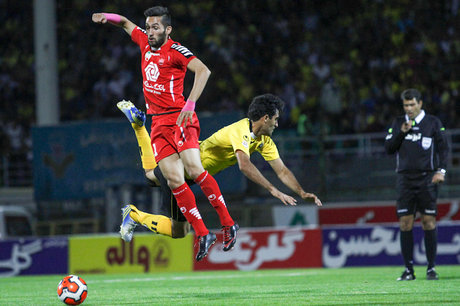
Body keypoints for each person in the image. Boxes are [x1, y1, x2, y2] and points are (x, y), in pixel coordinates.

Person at [92, 6, 238, 261]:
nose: (149, 32)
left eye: (155, 27)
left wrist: (190, 104)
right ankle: (203, 233)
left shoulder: (176, 50)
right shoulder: (143, 44)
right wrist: (108, 17)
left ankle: (228, 223)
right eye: (148, 27)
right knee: (172, 179)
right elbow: (126, 22)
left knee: (193, 168)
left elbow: (204, 71)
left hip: (180, 117)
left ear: (167, 29)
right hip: (158, 124)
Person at [117, 93, 322, 241]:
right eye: (275, 120)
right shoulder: (240, 130)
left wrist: (302, 192)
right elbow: (244, 164)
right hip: (183, 170)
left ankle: (138, 125)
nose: (277, 125)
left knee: (151, 176)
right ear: (265, 118)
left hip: (187, 172)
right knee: (178, 228)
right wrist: (274, 191)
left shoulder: (263, 142)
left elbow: (283, 171)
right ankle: (133, 214)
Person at [385, 88, 449, 281]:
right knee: (405, 223)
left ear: (420, 103)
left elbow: (444, 149)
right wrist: (401, 133)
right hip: (404, 179)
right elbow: (389, 148)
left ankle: (431, 268)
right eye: (406, 105)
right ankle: (408, 270)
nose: (409, 108)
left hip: (426, 178)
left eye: (412, 104)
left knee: (428, 221)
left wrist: (441, 171)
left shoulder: (433, 123)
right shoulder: (398, 123)